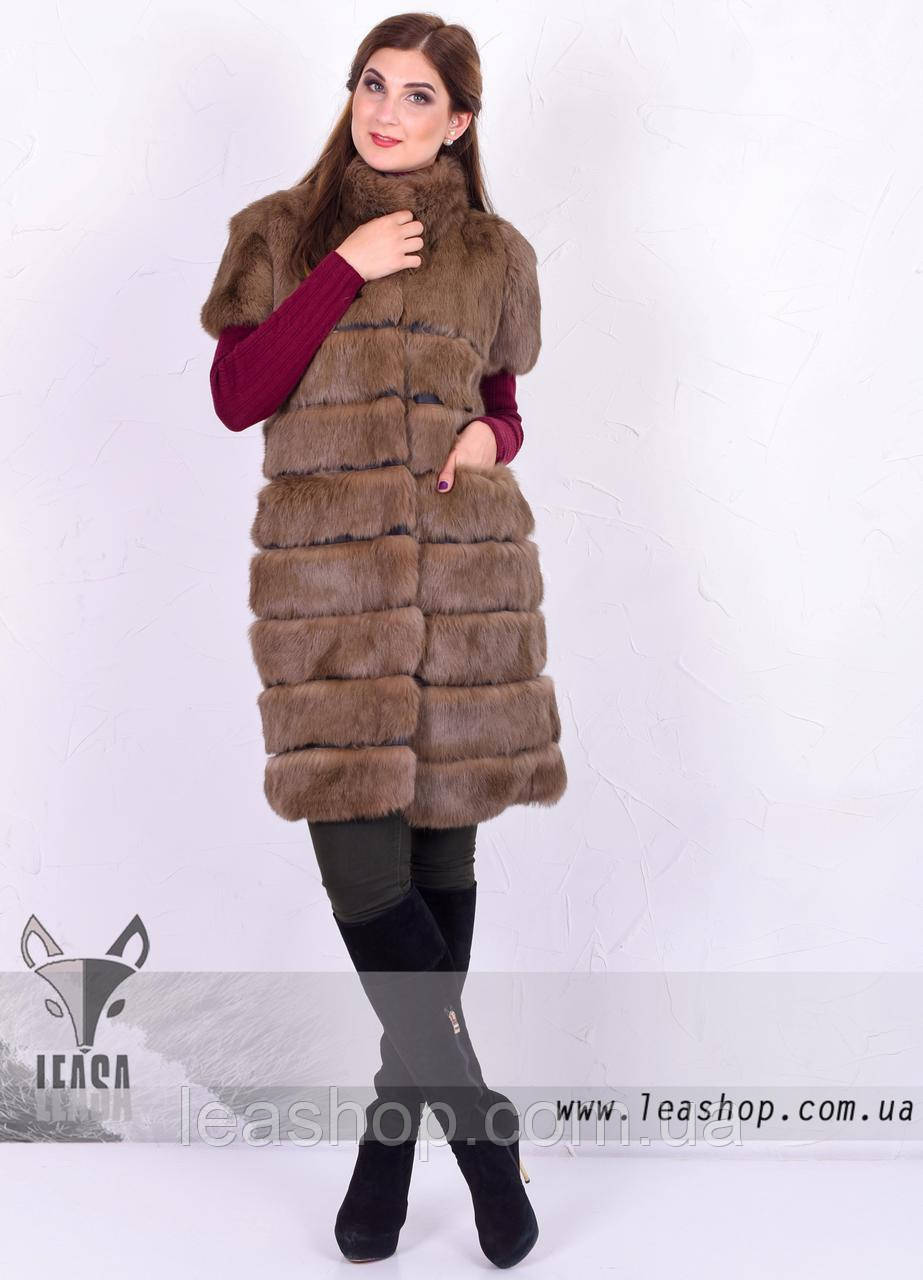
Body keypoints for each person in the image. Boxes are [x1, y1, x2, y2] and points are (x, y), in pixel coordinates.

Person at [200, 12, 567, 1269]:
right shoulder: (281, 232)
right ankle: (485, 1138)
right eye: (373, 83)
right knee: (370, 889)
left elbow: (503, 404)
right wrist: (343, 270)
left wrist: (490, 439)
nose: (387, 110)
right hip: (330, 613)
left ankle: (384, 1146)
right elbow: (238, 395)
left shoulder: (496, 256)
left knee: (439, 882)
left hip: (464, 600)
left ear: (459, 121)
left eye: (417, 95)